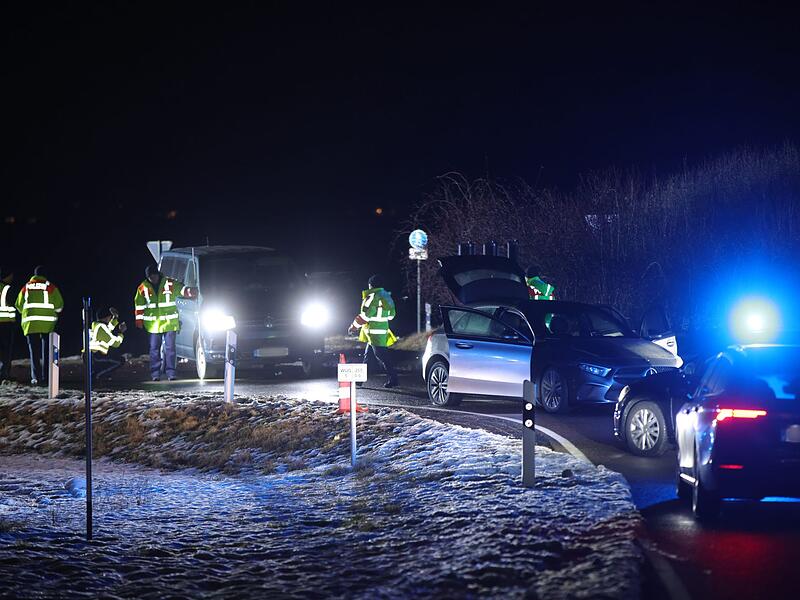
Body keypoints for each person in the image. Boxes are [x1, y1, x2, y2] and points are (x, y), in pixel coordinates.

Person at [134, 264, 194, 381]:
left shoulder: (169, 283)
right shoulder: (142, 288)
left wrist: (189, 291)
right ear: (147, 277)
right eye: (151, 277)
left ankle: (171, 373)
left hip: (169, 323)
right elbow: (139, 305)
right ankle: (155, 374)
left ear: (157, 274)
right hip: (153, 325)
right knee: (154, 350)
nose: (153, 278)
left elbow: (181, 289)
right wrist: (139, 321)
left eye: (154, 275)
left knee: (170, 349)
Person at [15, 266, 63, 385]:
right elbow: (59, 307)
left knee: (34, 352)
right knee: (47, 351)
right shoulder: (51, 287)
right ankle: (46, 377)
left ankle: (35, 378)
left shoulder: (26, 287)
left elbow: (19, 305)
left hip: (30, 324)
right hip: (47, 324)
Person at [348, 274, 398, 388]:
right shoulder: (387, 296)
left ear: (370, 285)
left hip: (373, 332)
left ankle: (394, 378)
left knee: (381, 356)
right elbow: (392, 315)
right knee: (368, 356)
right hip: (382, 330)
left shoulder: (371, 297)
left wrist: (353, 326)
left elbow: (365, 316)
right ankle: (360, 380)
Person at [85, 307, 127, 379]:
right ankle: (98, 375)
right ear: (107, 317)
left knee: (109, 358)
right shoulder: (102, 328)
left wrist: (115, 318)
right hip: (95, 357)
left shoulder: (96, 325)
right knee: (120, 361)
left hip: (90, 355)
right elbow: (116, 343)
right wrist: (121, 332)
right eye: (110, 317)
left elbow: (108, 328)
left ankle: (96, 374)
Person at [0, 270, 16, 381]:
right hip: (5, 323)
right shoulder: (6, 288)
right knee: (6, 351)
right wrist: (13, 320)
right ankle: (4, 374)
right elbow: (11, 306)